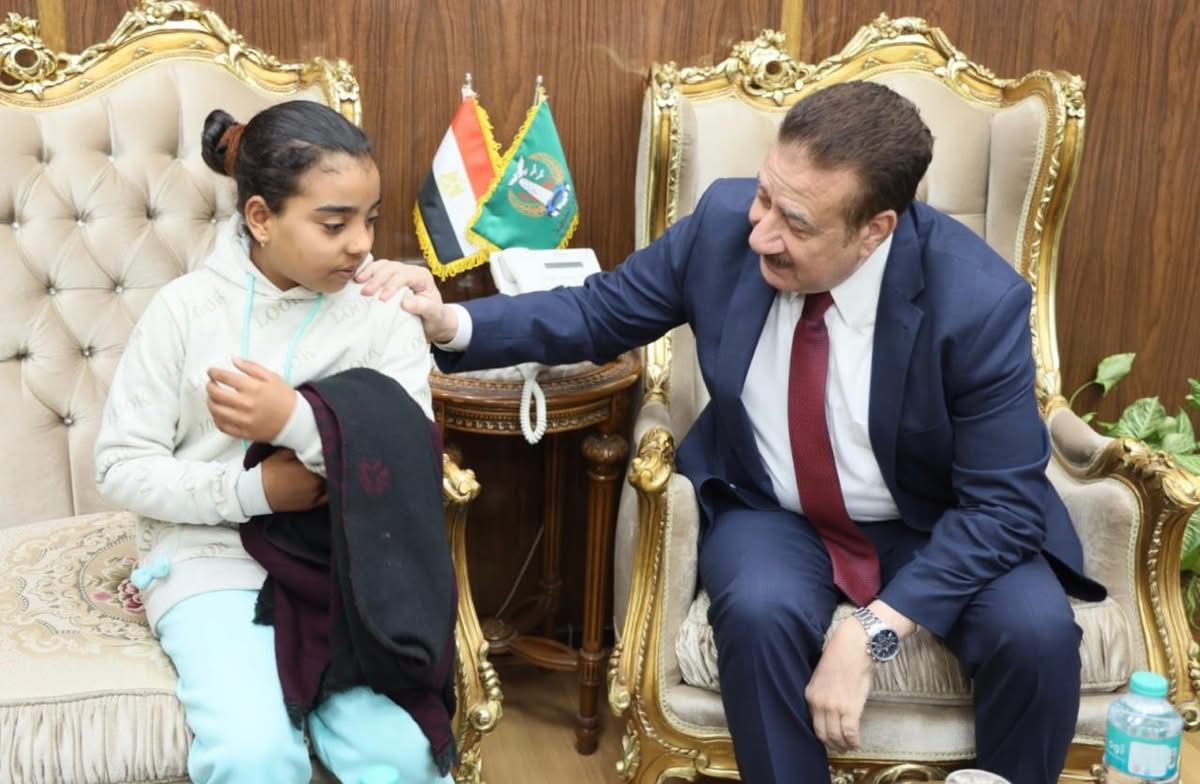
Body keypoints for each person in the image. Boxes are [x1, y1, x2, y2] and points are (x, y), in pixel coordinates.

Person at [364, 81, 1107, 783]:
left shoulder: (976, 302)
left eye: (797, 223)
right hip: (772, 507)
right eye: (764, 195)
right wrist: (450, 321)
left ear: (875, 230)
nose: (761, 233)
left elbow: (1002, 507)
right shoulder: (723, 224)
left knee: (1036, 633)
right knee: (757, 612)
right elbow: (600, 310)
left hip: (937, 519)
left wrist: (870, 632)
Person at [94, 100, 448, 784]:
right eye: (334, 224)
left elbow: (408, 462)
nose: (360, 244)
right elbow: (120, 467)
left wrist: (297, 423)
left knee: (404, 754)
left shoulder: (382, 313)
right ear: (260, 217)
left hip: (343, 565)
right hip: (207, 558)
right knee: (255, 754)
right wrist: (253, 491)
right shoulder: (185, 311)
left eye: (370, 219)